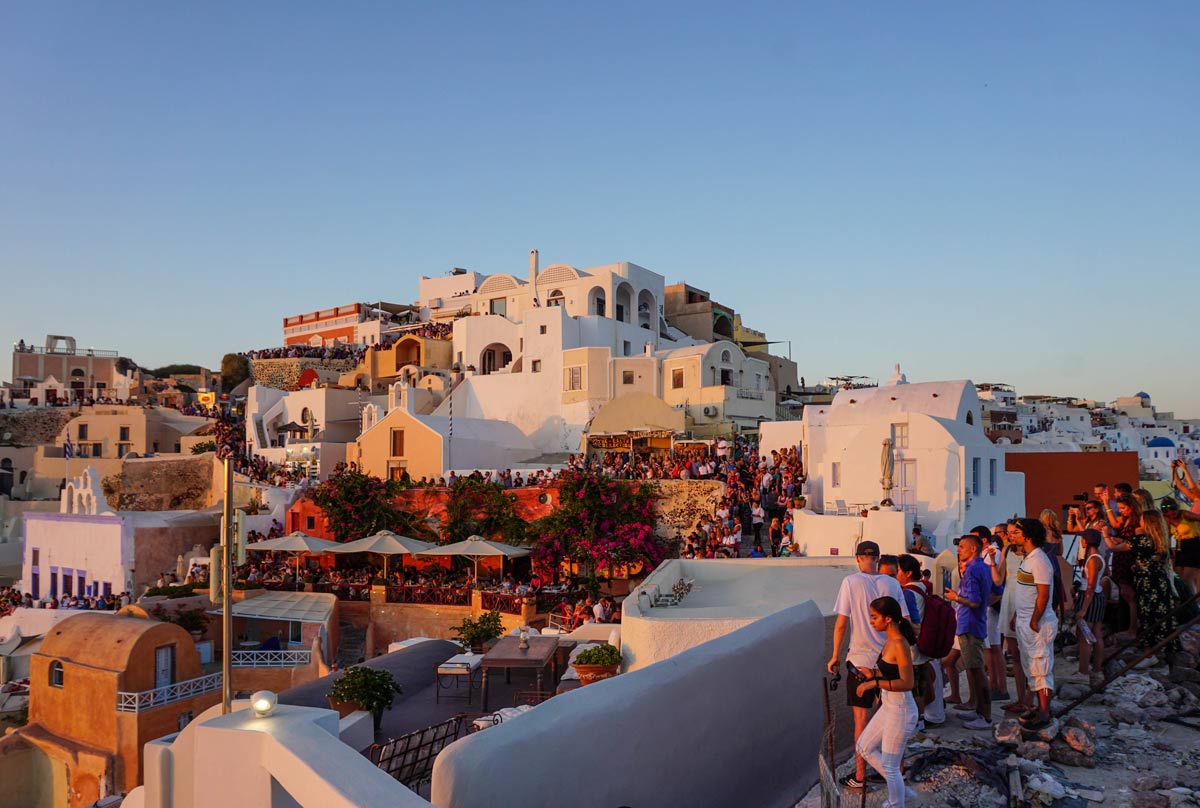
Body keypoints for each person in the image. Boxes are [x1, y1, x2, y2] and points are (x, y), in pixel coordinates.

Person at [827, 541, 913, 790]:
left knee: (861, 722)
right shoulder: (892, 583)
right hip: (889, 660)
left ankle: (861, 775)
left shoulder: (850, 582)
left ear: (857, 558)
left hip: (861, 662)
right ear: (877, 558)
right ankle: (897, 770)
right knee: (892, 718)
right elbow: (904, 621)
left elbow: (842, 624)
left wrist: (834, 656)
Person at [854, 596, 920, 808]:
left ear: (888, 619)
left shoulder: (899, 643)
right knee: (863, 747)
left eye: (874, 617)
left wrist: (873, 683)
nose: (871, 622)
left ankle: (896, 803)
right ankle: (903, 792)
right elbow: (889, 671)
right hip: (890, 706)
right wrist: (870, 673)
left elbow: (907, 682)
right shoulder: (889, 640)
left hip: (901, 709)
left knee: (890, 765)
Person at [1010, 517, 1057, 730]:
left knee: (1041, 665)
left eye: (1017, 533)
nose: (1013, 536)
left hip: (1037, 623)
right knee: (1031, 665)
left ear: (1027, 536)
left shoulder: (1039, 560)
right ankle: (1039, 708)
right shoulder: (1029, 558)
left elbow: (1043, 594)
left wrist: (1035, 619)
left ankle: (1045, 712)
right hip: (1025, 619)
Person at [945, 535, 993, 729]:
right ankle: (979, 711)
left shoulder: (973, 570)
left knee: (977, 671)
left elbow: (974, 601)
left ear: (973, 549)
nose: (959, 550)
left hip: (970, 624)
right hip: (976, 623)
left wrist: (955, 597)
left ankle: (986, 717)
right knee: (973, 669)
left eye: (963, 547)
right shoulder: (983, 567)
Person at [1129, 509, 1181, 658]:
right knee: (1161, 615)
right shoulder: (1159, 539)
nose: (1139, 522)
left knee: (1148, 615)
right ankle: (1165, 649)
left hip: (1148, 584)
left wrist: (1105, 534)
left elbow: (1122, 546)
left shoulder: (1144, 539)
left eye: (1141, 520)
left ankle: (1149, 652)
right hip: (1159, 582)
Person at [1071, 529, 1107, 684]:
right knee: (1096, 634)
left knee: (1084, 635)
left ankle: (1083, 671)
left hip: (1090, 598)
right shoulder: (1100, 557)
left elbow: (1091, 585)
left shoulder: (1092, 560)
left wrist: (1083, 609)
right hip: (1097, 597)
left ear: (1085, 541)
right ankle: (1096, 669)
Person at [1164, 498, 1200, 594]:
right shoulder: (1167, 520)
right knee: (1181, 578)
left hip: (1194, 545)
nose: (1172, 513)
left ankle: (1194, 604)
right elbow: (1167, 536)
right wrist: (1169, 552)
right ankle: (1189, 601)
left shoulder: (1184, 514)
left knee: (1188, 578)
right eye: (1168, 512)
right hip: (1181, 547)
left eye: (1174, 510)